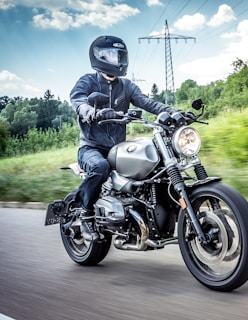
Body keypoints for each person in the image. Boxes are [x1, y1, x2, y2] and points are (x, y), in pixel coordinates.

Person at [70, 35, 177, 241]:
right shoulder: (88, 81)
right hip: (92, 148)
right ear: (98, 57)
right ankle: (85, 214)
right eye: (111, 55)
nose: (116, 59)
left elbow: (148, 103)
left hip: (117, 149)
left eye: (119, 55)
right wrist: (92, 112)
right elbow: (79, 100)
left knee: (154, 165)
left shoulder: (127, 86)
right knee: (100, 167)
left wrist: (174, 112)